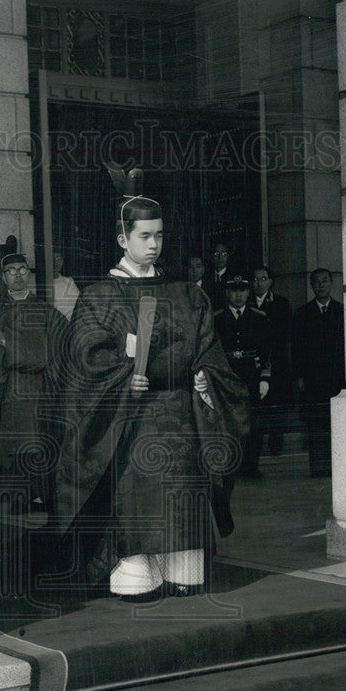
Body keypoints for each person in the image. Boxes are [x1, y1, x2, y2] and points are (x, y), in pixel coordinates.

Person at [54, 170, 249, 601]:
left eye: (159, 235)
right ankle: (137, 570)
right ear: (122, 239)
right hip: (131, 417)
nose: (154, 244)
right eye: (144, 236)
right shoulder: (100, 295)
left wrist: (205, 374)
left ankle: (182, 568)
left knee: (182, 500)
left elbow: (208, 347)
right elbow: (84, 353)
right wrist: (124, 371)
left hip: (181, 413)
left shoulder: (186, 293)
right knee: (139, 496)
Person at [0, 252, 69, 514]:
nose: (17, 275)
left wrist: (12, 349)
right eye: (11, 270)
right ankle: (16, 501)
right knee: (11, 446)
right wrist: (14, 355)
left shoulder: (47, 314)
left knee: (43, 444)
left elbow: (60, 352)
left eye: (22, 269)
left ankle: (46, 498)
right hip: (7, 397)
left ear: (29, 274)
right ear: (3, 276)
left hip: (42, 394)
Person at [214, 275, 272, 478]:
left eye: (242, 291)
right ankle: (231, 465)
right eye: (234, 291)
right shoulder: (217, 319)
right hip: (227, 376)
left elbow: (267, 350)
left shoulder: (259, 317)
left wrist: (265, 378)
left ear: (248, 292)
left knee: (253, 422)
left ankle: (251, 465)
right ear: (227, 293)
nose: (238, 295)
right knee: (229, 422)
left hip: (251, 375)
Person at [292, 267, 346, 478]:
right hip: (313, 380)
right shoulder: (301, 314)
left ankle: (338, 467)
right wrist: (299, 376)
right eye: (317, 281)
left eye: (325, 280)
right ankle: (318, 467)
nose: (321, 285)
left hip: (337, 379)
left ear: (332, 284)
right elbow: (296, 349)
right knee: (316, 425)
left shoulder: (342, 311)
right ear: (311, 285)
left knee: (337, 424)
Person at [249, 265, 292, 456]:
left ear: (271, 281)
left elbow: (284, 337)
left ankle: (276, 445)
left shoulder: (281, 303)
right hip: (252, 362)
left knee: (275, 405)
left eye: (263, 278)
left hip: (276, 362)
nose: (259, 283)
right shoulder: (246, 302)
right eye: (256, 279)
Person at [203, 240, 232, 313]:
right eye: (216, 254)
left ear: (228, 256)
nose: (220, 257)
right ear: (211, 256)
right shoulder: (205, 277)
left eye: (223, 254)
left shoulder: (233, 276)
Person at [52, 249, 80, 321]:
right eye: (51, 258)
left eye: (58, 258)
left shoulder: (69, 281)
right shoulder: (41, 284)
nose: (55, 263)